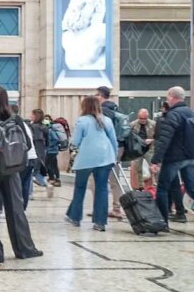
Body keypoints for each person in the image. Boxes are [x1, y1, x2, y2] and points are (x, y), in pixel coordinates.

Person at [0, 85, 43, 263]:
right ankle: (25, 249)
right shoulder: (16, 120)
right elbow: (27, 143)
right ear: (6, 100)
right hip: (12, 169)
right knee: (16, 210)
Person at [65, 96, 119, 232]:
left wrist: (73, 146)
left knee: (80, 187)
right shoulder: (107, 120)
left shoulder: (82, 121)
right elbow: (113, 140)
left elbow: (75, 141)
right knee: (102, 189)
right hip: (105, 157)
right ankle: (100, 222)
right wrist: (114, 156)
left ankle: (75, 218)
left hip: (86, 158)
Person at [150, 86, 194, 225]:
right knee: (191, 187)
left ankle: (163, 221)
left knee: (163, 187)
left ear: (171, 97)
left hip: (175, 157)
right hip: (190, 157)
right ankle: (178, 213)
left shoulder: (173, 115)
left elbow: (164, 139)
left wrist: (155, 160)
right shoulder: (190, 113)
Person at [94, 86, 124, 219]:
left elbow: (101, 132)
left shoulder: (103, 111)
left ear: (100, 96)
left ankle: (100, 209)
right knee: (115, 179)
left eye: (96, 95)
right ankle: (116, 208)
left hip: (105, 148)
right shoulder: (116, 108)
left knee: (95, 180)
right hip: (119, 147)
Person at [130, 109, 156, 189]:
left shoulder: (153, 124)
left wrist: (152, 140)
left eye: (145, 118)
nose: (143, 120)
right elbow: (129, 138)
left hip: (150, 148)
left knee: (154, 167)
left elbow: (159, 136)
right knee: (137, 168)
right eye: (141, 118)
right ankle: (140, 187)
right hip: (138, 149)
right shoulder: (133, 124)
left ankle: (154, 184)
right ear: (138, 117)